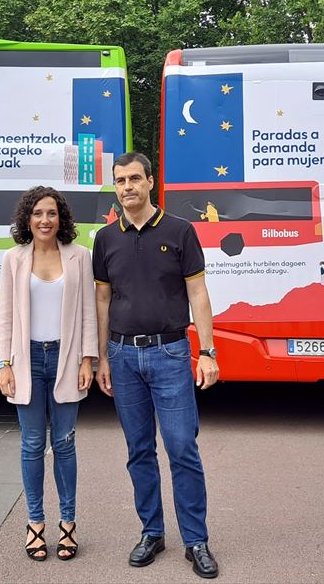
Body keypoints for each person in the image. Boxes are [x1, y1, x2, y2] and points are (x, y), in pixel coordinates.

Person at [92, 152, 221, 579]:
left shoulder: (180, 232)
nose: (126, 187)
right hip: (124, 357)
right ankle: (152, 532)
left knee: (182, 448)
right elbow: (103, 300)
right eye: (119, 181)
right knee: (139, 451)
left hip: (170, 355)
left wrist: (208, 351)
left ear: (150, 181)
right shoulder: (106, 239)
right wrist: (103, 357)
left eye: (134, 178)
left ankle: (196, 540)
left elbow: (198, 295)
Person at [0, 186, 96, 562]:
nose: (44, 220)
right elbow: (4, 314)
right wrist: (4, 362)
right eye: (37, 213)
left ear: (61, 218)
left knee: (65, 444)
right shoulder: (13, 259)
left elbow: (88, 311)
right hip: (27, 360)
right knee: (33, 444)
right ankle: (35, 523)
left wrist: (88, 359)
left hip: (66, 359)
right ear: (27, 218)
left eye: (51, 213)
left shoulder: (79, 257)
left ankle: (67, 524)